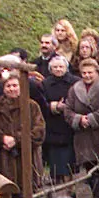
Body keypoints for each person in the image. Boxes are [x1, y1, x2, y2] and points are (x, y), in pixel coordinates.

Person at [65, 56, 99, 198]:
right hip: (83, 134)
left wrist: (91, 118)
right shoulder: (74, 89)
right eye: (84, 73)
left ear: (97, 72)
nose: (87, 75)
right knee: (89, 166)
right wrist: (78, 119)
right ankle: (96, 195)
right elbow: (68, 109)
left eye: (90, 72)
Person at [0, 73, 45, 186]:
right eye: (8, 86)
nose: (12, 89)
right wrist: (2, 138)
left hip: (28, 160)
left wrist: (17, 140)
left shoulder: (32, 106)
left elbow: (39, 132)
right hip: (4, 162)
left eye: (15, 85)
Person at [40, 54, 77, 184]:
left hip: (70, 125)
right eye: (55, 67)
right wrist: (54, 106)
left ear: (66, 68)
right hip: (53, 125)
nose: (58, 69)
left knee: (69, 160)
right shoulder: (45, 84)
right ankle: (56, 180)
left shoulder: (74, 81)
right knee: (54, 158)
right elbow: (42, 102)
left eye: (61, 66)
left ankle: (69, 185)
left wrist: (67, 107)